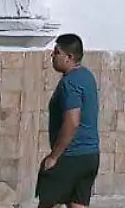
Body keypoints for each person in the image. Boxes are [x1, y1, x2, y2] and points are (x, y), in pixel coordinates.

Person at [37, 33, 100, 208]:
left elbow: (72, 121)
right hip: (90, 156)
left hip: (71, 156)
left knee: (48, 203)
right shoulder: (87, 76)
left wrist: (54, 156)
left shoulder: (70, 83)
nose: (52, 56)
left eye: (57, 52)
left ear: (69, 57)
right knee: (77, 203)